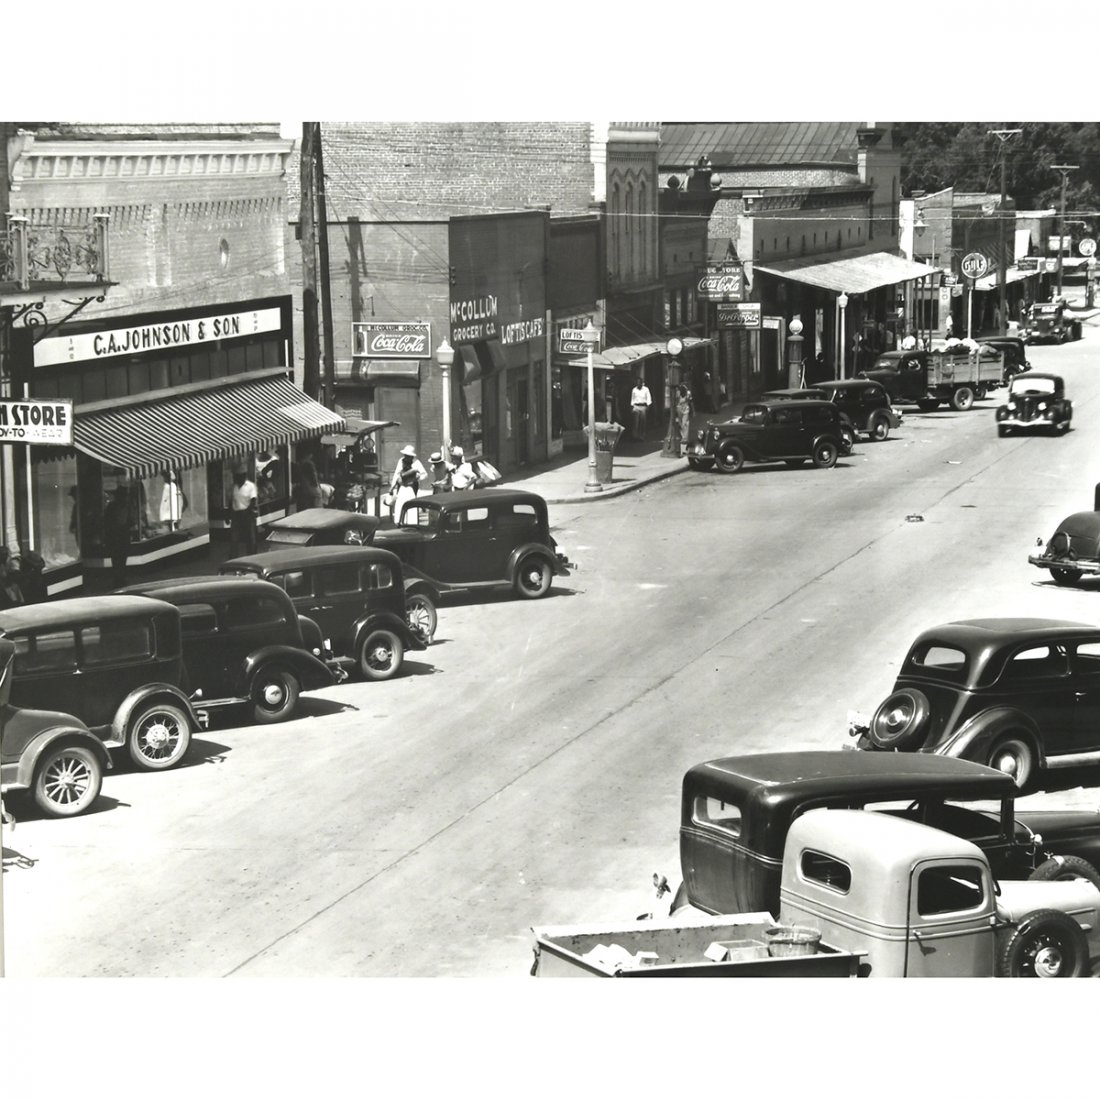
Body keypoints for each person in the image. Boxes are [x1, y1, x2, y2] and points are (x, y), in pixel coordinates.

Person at [103, 484, 132, 587]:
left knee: (116, 560)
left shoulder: (112, 506)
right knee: (121, 560)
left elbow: (106, 521)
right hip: (122, 537)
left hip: (114, 538)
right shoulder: (126, 507)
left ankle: (118, 578)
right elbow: (130, 522)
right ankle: (120, 578)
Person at [389, 444, 427, 519]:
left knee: (411, 503)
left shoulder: (416, 462)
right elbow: (396, 474)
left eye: (408, 456)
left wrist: (418, 477)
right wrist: (392, 487)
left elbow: (425, 474)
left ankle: (411, 521)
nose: (406, 457)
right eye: (405, 455)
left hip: (412, 486)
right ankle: (399, 520)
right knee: (400, 503)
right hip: (402, 486)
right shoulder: (401, 461)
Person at [229, 462, 258, 556]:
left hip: (248, 514)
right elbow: (231, 501)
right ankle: (234, 558)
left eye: (239, 476)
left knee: (250, 538)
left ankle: (252, 556)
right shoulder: (234, 487)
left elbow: (253, 501)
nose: (237, 478)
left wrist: (247, 511)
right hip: (236, 515)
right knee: (234, 538)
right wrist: (229, 514)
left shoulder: (250, 486)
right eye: (236, 476)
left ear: (244, 476)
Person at [676, 384, 694, 455]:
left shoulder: (688, 393)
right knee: (680, 424)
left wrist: (693, 411)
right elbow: (676, 402)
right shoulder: (677, 393)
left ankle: (684, 439)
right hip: (679, 408)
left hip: (686, 408)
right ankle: (682, 438)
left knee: (685, 424)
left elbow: (691, 402)